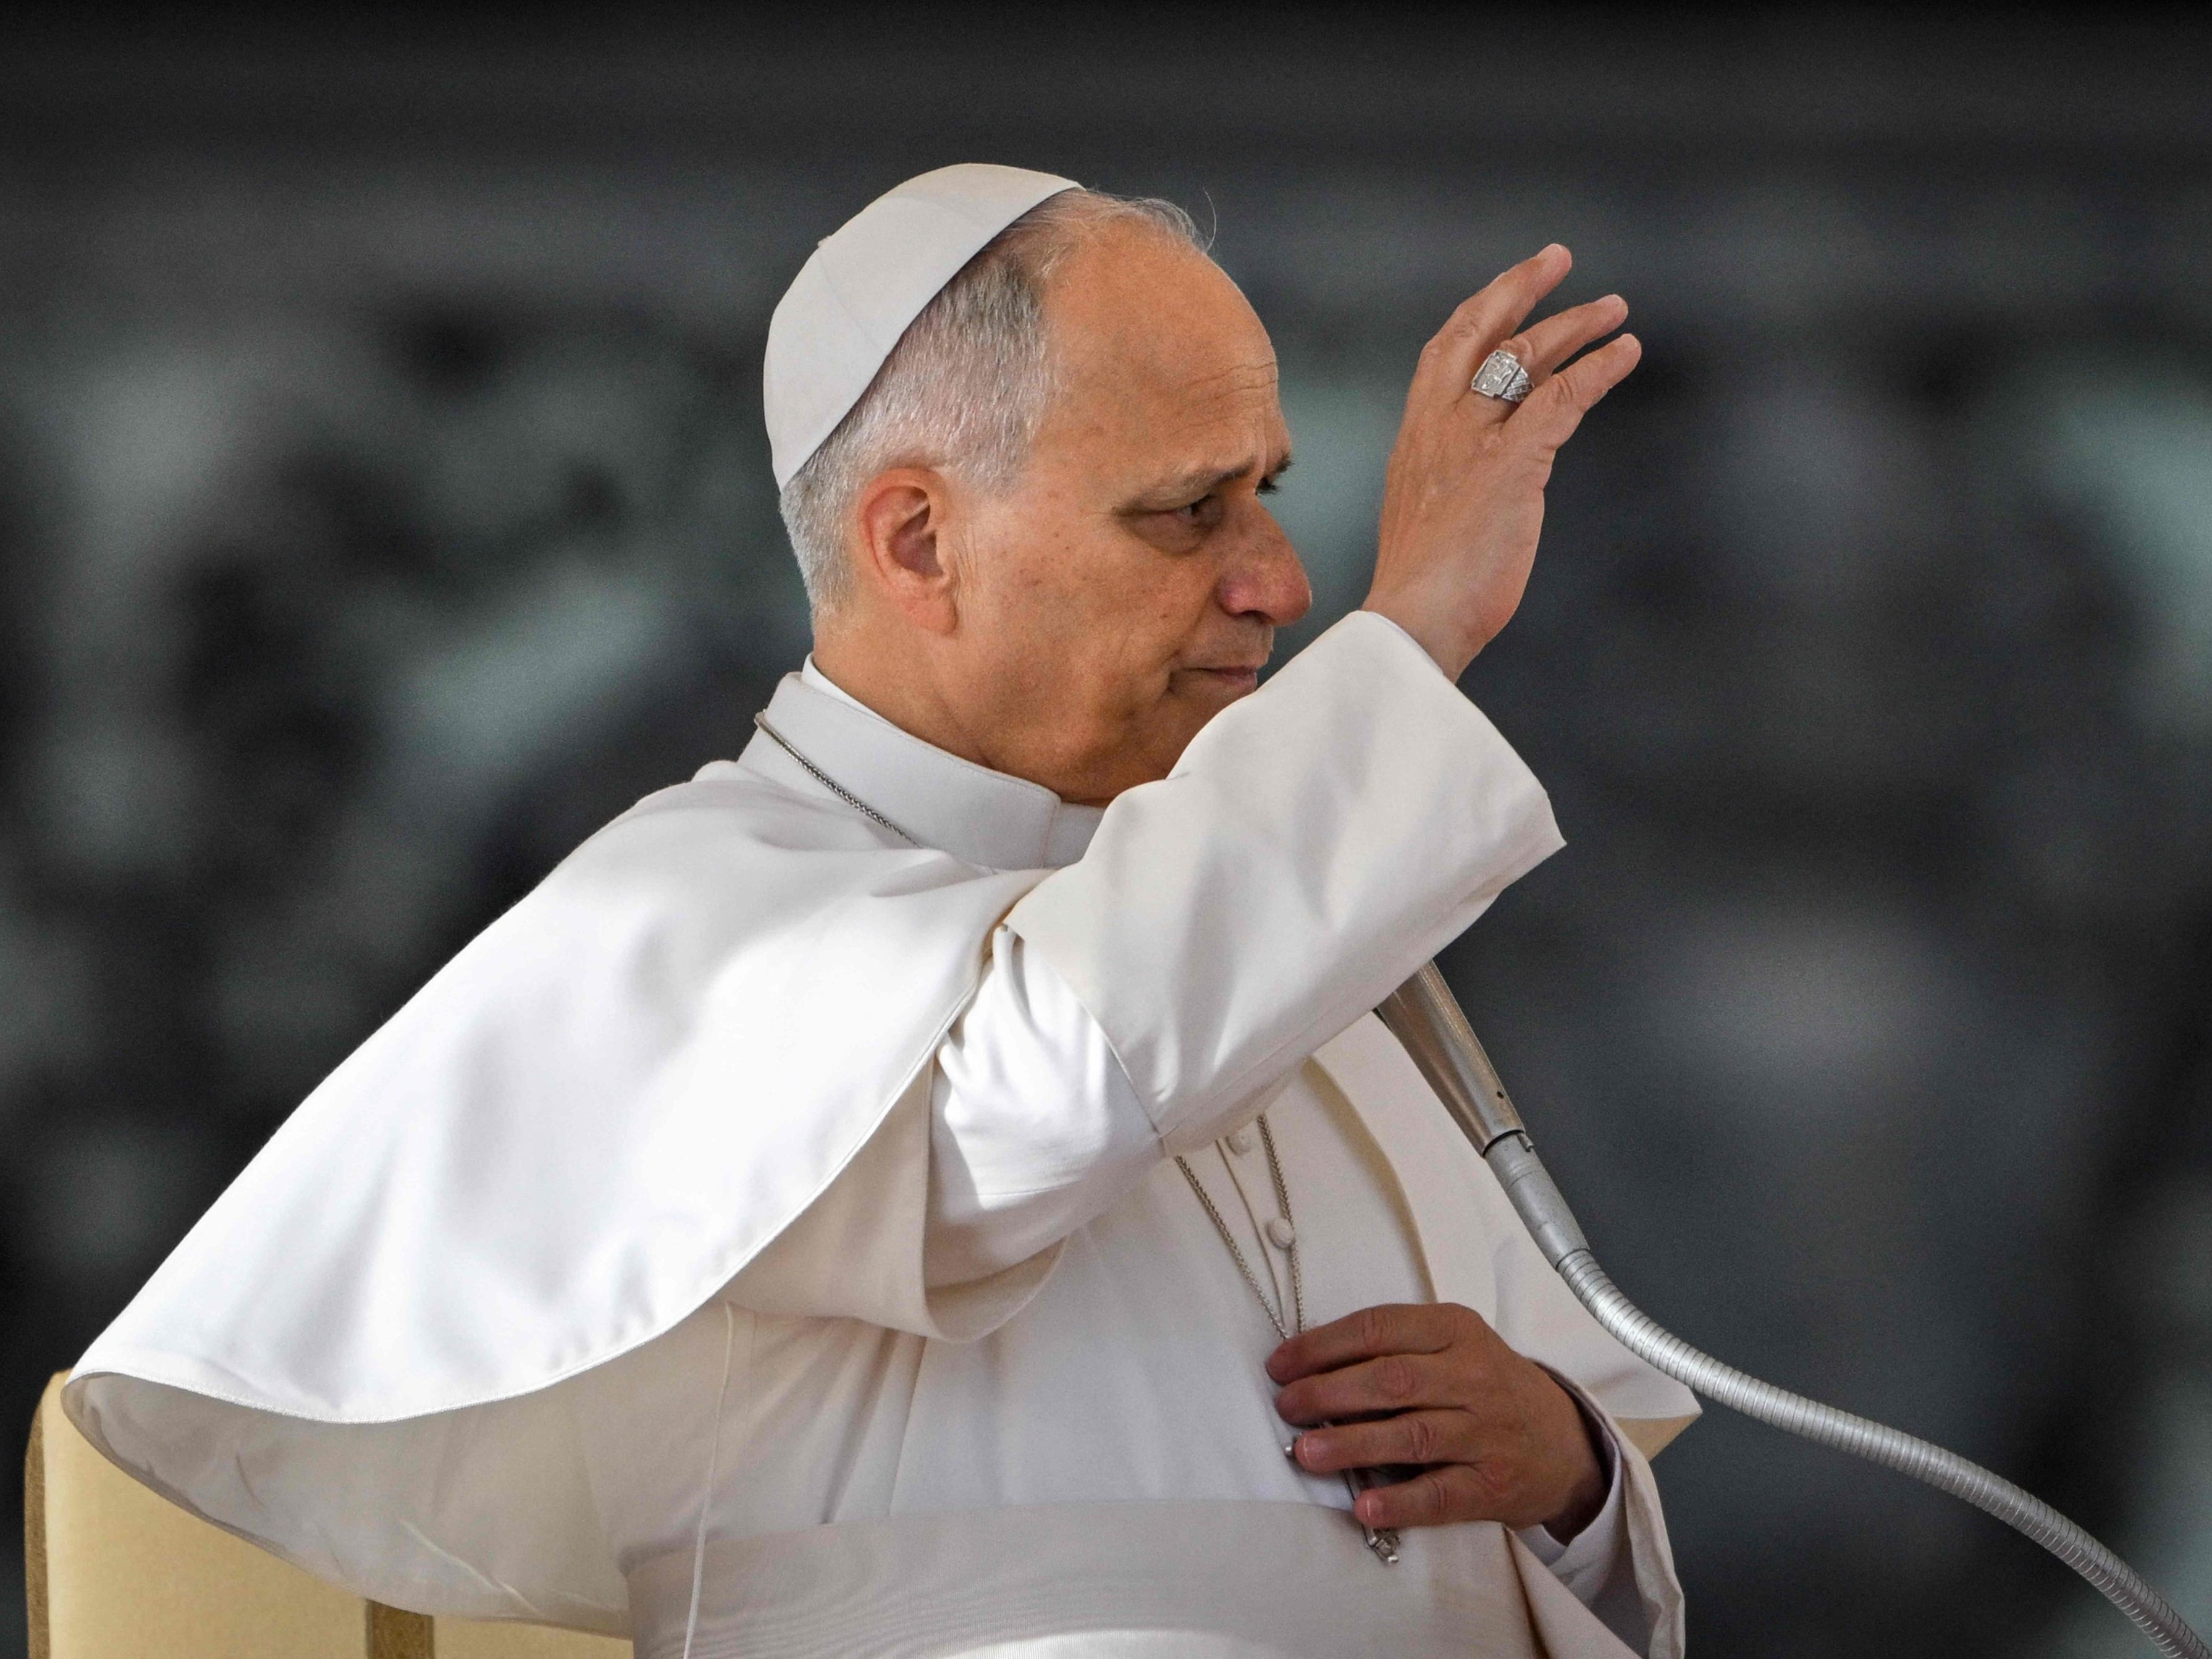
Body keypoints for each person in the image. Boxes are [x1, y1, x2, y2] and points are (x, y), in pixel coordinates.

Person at [65, 164, 1698, 1658]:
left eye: (1265, 493)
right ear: (919, 540)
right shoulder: (684, 911)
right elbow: (1025, 1105)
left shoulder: (1258, 924)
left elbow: (1574, 1566)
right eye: (1191, 509)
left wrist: (1565, 1474)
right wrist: (1407, 641)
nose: (1278, 577)